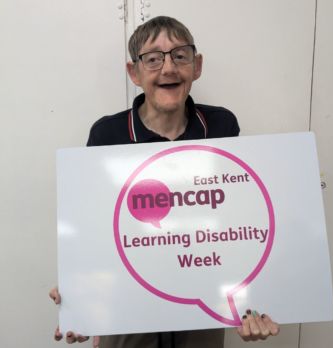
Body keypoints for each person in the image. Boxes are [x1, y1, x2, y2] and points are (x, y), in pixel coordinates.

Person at [50, 16, 280, 347]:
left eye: (180, 55)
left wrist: (248, 307)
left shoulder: (221, 126)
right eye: (153, 59)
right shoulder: (107, 134)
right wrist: (83, 302)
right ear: (134, 73)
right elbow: (93, 230)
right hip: (127, 308)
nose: (168, 68)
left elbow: (239, 226)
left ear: (196, 66)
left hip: (201, 306)